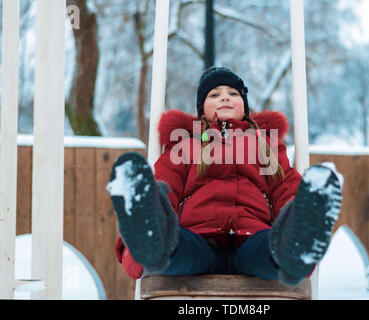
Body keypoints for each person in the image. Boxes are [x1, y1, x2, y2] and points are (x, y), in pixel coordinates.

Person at [108, 67, 343, 286]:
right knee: (177, 247)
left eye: (233, 93)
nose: (224, 97)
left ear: (245, 105)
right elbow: (164, 185)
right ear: (201, 108)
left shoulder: (264, 144)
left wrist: (297, 211)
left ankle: (295, 245)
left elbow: (285, 188)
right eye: (214, 94)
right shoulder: (185, 144)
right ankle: (150, 240)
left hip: (252, 239)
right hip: (199, 239)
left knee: (271, 249)